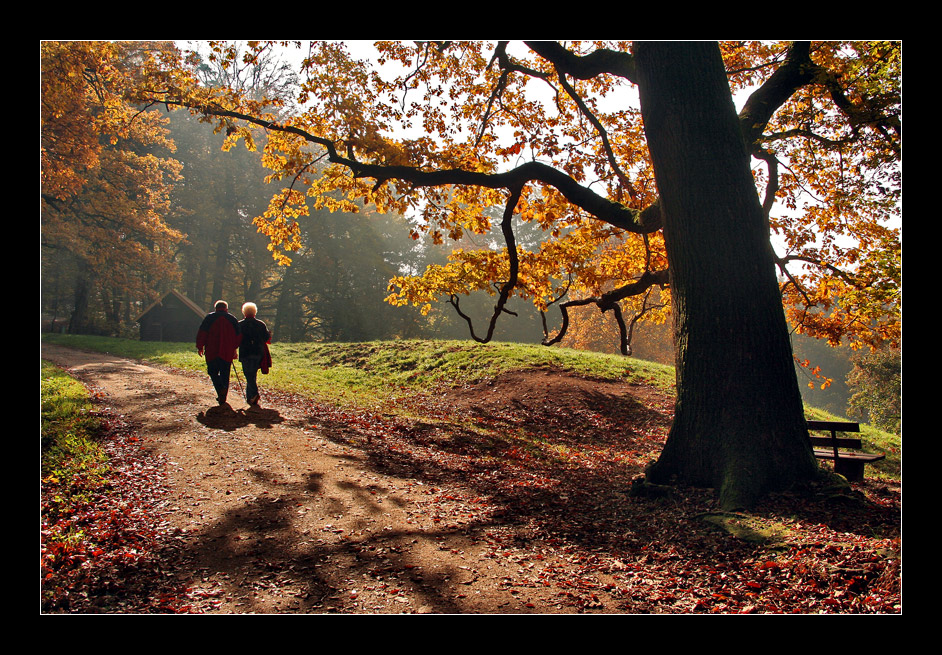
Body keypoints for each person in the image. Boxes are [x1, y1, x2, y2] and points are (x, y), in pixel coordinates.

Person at [196, 300, 241, 404]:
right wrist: (234, 347)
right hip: (227, 351)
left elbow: (202, 333)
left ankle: (220, 390)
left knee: (212, 372)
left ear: (215, 308)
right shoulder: (232, 319)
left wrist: (200, 347)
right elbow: (238, 336)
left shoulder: (209, 318)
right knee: (225, 373)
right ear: (226, 309)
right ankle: (223, 397)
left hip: (212, 351)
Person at [238, 302, 271, 406]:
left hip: (245, 352)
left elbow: (236, 339)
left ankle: (254, 394)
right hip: (258, 352)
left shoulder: (240, 325)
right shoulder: (261, 324)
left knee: (248, 374)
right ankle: (250, 398)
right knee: (252, 374)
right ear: (255, 312)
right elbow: (266, 338)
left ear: (244, 312)